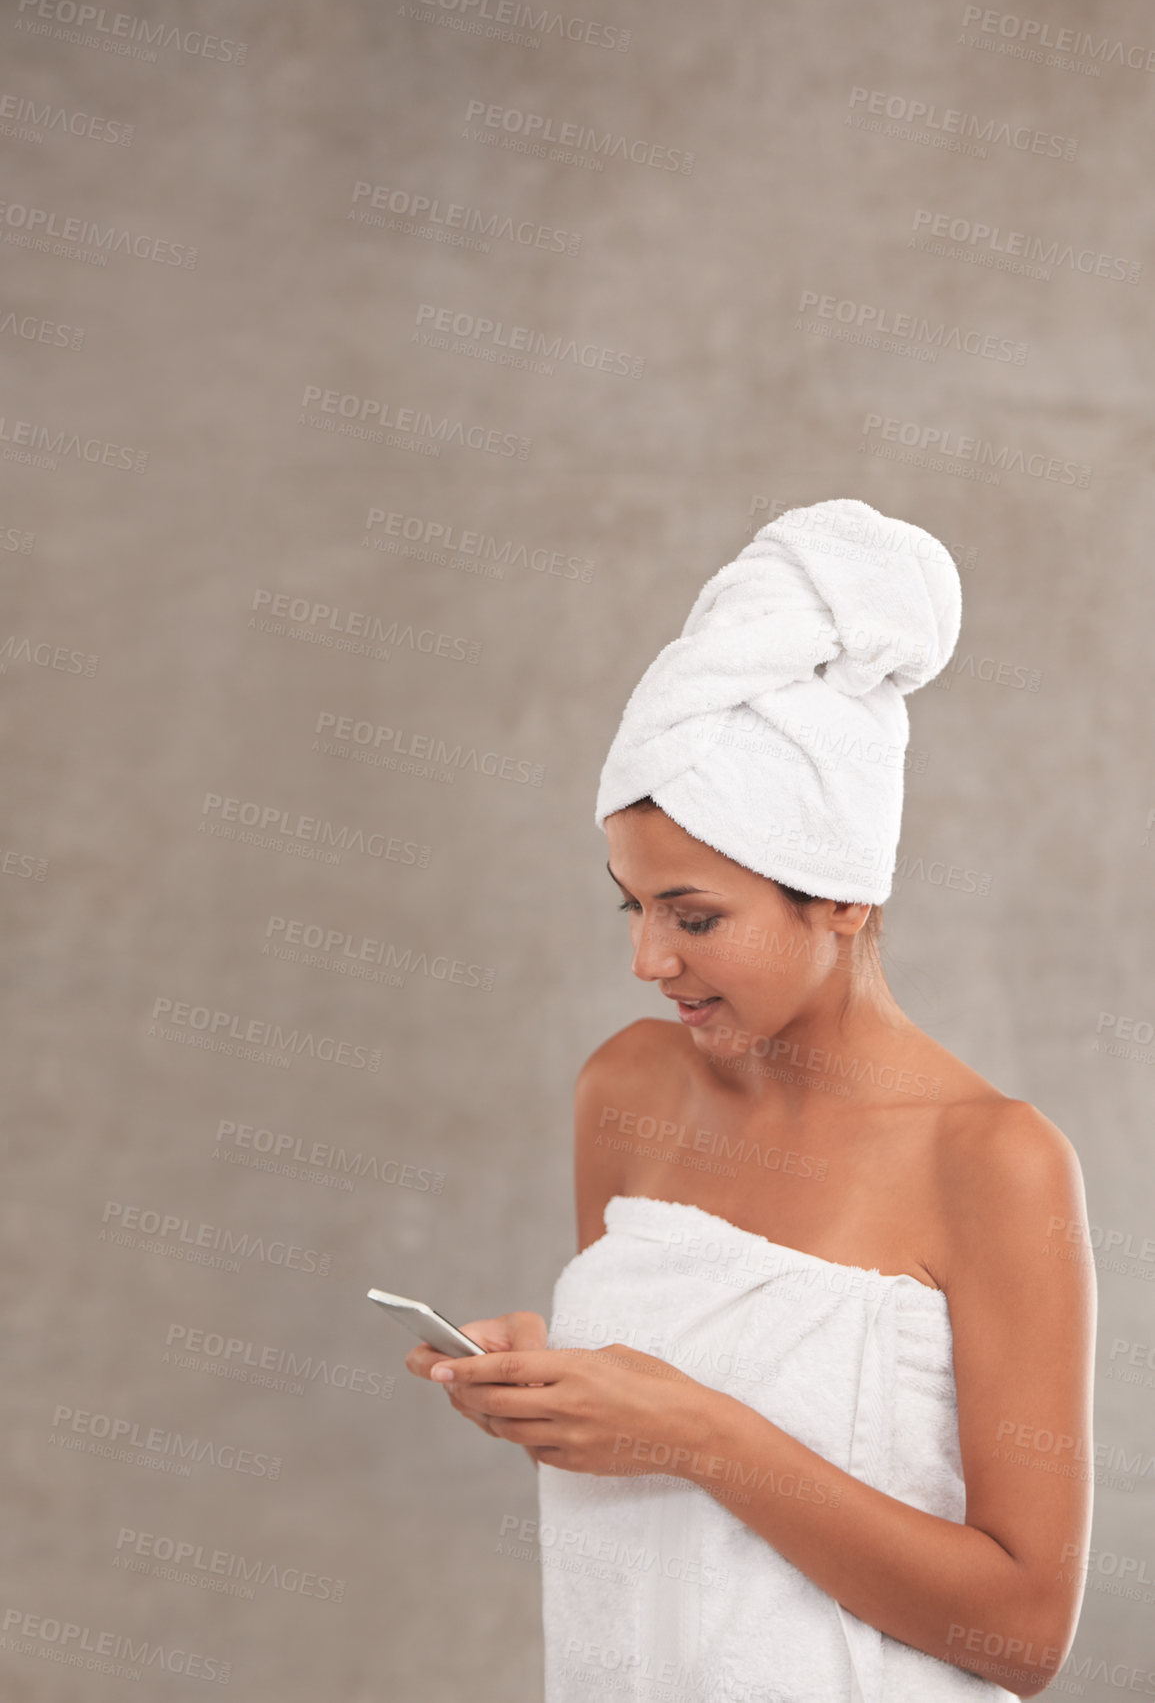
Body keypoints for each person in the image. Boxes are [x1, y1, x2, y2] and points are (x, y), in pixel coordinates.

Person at [406, 500, 1095, 1702]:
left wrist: (696, 1432)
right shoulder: (627, 1087)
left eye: (696, 916)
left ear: (840, 898)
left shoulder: (993, 1161)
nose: (648, 961)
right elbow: (667, 1410)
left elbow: (1024, 1635)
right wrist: (558, 1383)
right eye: (633, 906)